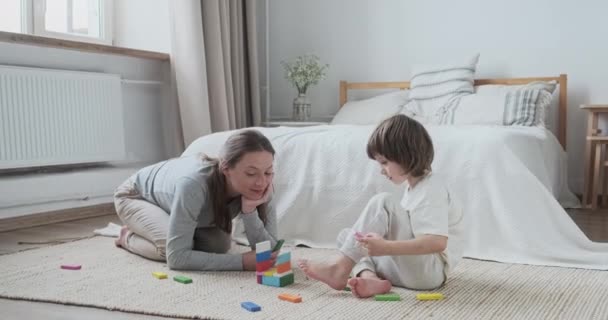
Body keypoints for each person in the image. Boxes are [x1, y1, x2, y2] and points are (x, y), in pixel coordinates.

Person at [298, 114, 464, 298]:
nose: (381, 170)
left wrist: (386, 247)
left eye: (384, 162)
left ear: (406, 154)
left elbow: (436, 242)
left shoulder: (432, 188)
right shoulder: (412, 189)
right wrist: (381, 243)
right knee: (349, 236)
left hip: (428, 273)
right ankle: (370, 278)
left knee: (382, 201)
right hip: (410, 271)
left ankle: (339, 269)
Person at [114, 129, 278, 271]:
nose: (261, 182)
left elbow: (268, 252)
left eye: (268, 172)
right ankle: (127, 237)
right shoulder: (193, 185)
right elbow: (177, 258)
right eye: (251, 173)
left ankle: (172, 225)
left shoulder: (263, 186)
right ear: (226, 168)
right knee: (168, 248)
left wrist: (249, 212)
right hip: (136, 196)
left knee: (217, 247)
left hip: (181, 204)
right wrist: (241, 262)